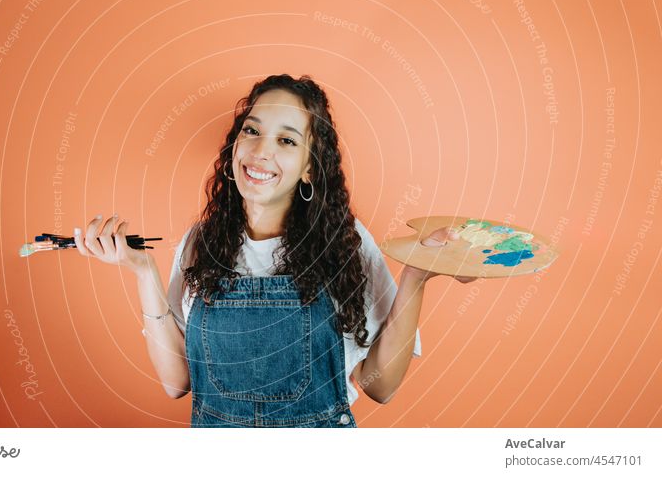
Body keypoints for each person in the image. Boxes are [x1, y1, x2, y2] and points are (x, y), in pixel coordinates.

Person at [73, 74, 476, 428]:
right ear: (234, 147)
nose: (261, 151)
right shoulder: (201, 243)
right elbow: (176, 381)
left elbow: (381, 387)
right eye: (252, 131)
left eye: (286, 139)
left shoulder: (344, 241)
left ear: (309, 167)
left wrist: (416, 277)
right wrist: (144, 271)